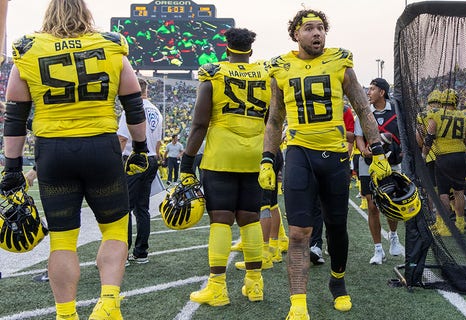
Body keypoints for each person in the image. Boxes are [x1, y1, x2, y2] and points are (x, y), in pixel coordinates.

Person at [0, 0, 150, 319]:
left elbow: (14, 118)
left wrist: (12, 169)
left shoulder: (28, 50)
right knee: (113, 231)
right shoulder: (110, 46)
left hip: (54, 152)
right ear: (85, 13)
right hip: (101, 148)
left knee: (63, 241)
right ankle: (108, 304)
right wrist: (140, 150)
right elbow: (134, 107)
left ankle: (66, 314)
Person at [259, 9, 392, 319]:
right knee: (298, 232)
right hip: (299, 153)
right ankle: (298, 301)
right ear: (295, 34)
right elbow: (275, 118)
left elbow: (362, 107)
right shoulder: (280, 67)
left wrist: (377, 151)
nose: (316, 33)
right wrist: (268, 159)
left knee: (336, 227)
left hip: (334, 156)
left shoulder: (340, 62)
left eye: (320, 28)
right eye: (309, 28)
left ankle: (338, 282)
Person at [179, 27, 269, 307]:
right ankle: (255, 285)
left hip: (221, 155)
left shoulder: (213, 73)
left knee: (220, 219)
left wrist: (186, 164)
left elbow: (199, 125)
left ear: (226, 49)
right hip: (255, 154)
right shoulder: (266, 74)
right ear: (250, 51)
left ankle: (217, 287)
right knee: (250, 218)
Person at [355, 78, 403, 264]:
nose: (369, 92)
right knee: (372, 205)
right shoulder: (364, 112)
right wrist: (362, 149)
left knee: (391, 203)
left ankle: (393, 235)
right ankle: (377, 249)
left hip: (391, 163)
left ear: (382, 92)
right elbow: (359, 137)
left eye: (372, 89)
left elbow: (403, 135)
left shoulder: (397, 111)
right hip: (368, 163)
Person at [117, 77, 163, 264]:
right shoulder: (156, 110)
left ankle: (123, 253)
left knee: (124, 208)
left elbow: (122, 139)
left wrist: (113, 163)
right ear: (147, 91)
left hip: (134, 159)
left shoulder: (132, 108)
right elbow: (159, 142)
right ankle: (141, 251)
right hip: (151, 158)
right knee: (142, 208)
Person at [309, 105, 356, 265]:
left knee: (335, 208)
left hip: (336, 160)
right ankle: (315, 245)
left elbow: (351, 136)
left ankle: (332, 242)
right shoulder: (312, 106)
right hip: (314, 159)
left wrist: (346, 159)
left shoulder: (344, 110)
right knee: (315, 205)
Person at [422, 89, 466, 234]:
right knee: (459, 191)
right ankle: (460, 223)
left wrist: (424, 154)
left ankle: (444, 225)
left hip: (443, 156)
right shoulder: (463, 116)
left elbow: (429, 137)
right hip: (460, 156)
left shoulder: (436, 114)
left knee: (443, 192)